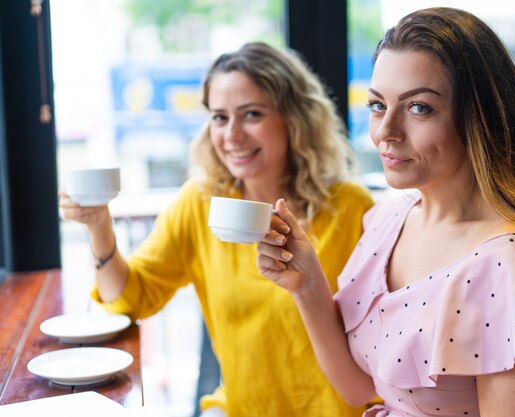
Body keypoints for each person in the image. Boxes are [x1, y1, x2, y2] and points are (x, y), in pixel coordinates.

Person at [257, 8, 515, 417]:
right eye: (378, 105)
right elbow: (359, 388)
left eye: (419, 108)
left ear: (480, 118)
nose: (385, 132)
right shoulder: (388, 221)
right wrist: (307, 285)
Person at [59, 42, 373, 417]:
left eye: (252, 114)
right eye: (220, 118)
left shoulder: (351, 208)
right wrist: (98, 225)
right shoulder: (201, 202)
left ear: (295, 118)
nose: (232, 135)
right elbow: (129, 299)